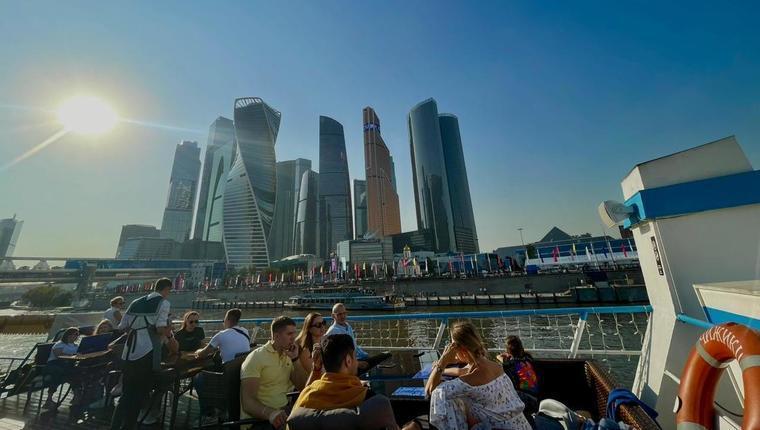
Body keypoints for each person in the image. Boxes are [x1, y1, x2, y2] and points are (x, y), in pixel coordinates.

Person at [404, 322, 531, 430]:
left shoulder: (469, 380)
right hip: (521, 425)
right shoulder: (495, 366)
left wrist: (442, 362)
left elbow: (430, 391)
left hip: (498, 428)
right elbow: (463, 371)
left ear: (462, 349)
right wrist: (445, 368)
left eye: (452, 346)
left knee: (449, 402)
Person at [288, 333, 399, 430]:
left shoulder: (306, 396)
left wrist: (316, 369)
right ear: (348, 361)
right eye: (355, 357)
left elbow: (309, 389)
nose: (357, 362)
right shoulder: (368, 399)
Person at [110, 278, 172, 430]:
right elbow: (159, 329)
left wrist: (137, 328)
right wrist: (168, 328)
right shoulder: (163, 303)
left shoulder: (136, 302)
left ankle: (115, 426)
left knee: (126, 394)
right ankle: (129, 426)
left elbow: (122, 326)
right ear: (166, 289)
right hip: (147, 351)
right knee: (139, 395)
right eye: (169, 291)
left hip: (129, 351)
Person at [239, 316, 308, 429]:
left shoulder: (288, 355)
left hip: (282, 411)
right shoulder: (256, 358)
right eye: (289, 334)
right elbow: (248, 402)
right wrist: (271, 414)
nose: (293, 338)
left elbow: (303, 386)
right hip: (259, 420)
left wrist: (295, 359)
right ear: (276, 336)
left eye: (294, 333)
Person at [194, 308, 251, 423]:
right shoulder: (245, 331)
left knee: (198, 378)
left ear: (228, 319)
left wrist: (197, 352)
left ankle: (208, 414)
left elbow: (203, 353)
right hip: (241, 375)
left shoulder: (221, 335)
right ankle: (223, 409)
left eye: (224, 319)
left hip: (227, 378)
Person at [325, 303, 391, 372]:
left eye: (344, 313)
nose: (343, 316)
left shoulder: (347, 326)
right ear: (333, 316)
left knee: (384, 356)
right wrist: (357, 364)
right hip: (351, 366)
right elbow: (338, 356)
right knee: (386, 355)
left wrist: (366, 355)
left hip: (357, 359)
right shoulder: (334, 331)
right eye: (339, 314)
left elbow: (355, 347)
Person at [44, 327, 80, 409]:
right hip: (54, 364)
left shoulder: (76, 346)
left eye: (77, 335)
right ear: (68, 335)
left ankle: (76, 395)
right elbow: (58, 355)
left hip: (67, 365)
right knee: (59, 373)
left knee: (76, 372)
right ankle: (49, 399)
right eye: (75, 334)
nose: (76, 336)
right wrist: (72, 355)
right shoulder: (60, 344)